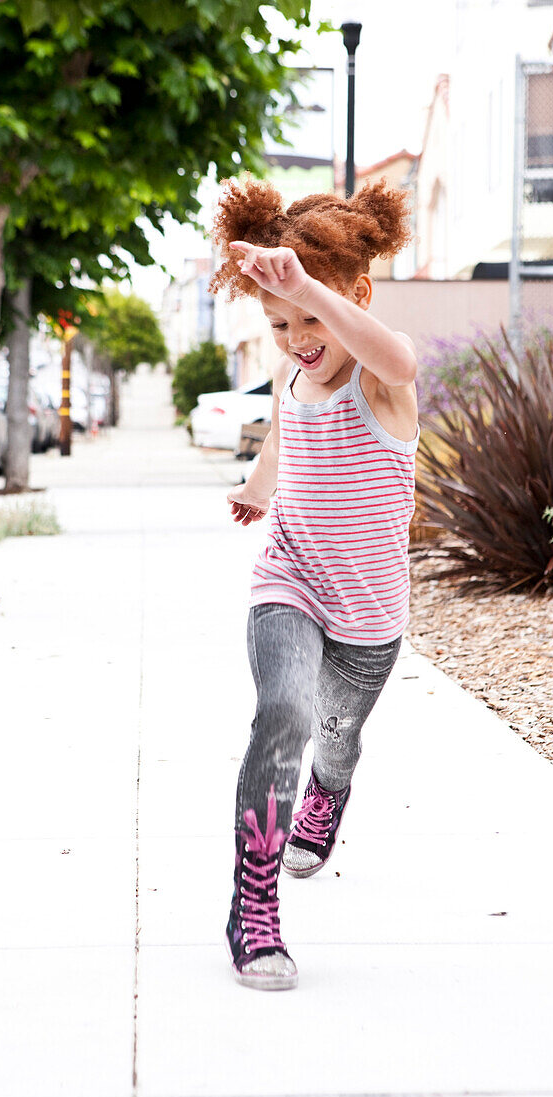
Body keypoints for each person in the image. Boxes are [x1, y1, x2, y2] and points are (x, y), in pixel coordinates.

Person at [208, 176, 419, 991]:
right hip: (289, 580)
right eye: (280, 323)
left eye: (313, 316)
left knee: (334, 736)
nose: (298, 336)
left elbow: (397, 352)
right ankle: (252, 905)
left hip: (369, 615)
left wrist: (307, 289)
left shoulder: (380, 380)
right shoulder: (297, 380)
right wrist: (257, 493)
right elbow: (283, 438)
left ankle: (331, 789)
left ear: (356, 297)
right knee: (286, 710)